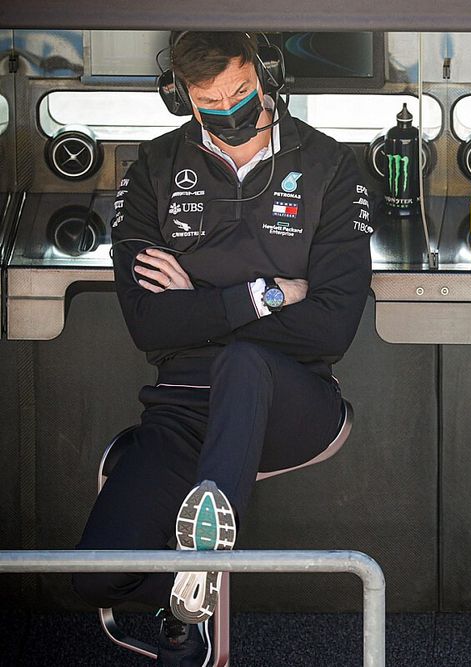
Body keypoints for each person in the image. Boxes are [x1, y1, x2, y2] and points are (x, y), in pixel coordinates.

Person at [71, 31, 373, 665]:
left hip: (294, 402)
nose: (229, 108)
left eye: (239, 91)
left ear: (265, 78)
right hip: (183, 407)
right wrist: (265, 294)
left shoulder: (330, 166)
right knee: (95, 576)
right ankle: (184, 587)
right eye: (209, 100)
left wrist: (197, 303)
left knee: (243, 362)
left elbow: (331, 328)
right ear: (182, 97)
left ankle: (198, 586)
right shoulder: (152, 170)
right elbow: (149, 329)